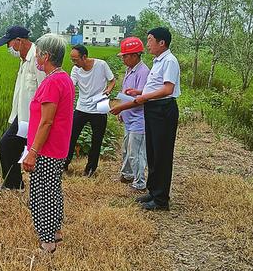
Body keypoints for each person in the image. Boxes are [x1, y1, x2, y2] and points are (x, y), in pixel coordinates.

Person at [111, 27, 180, 211]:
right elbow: (155, 87)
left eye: (150, 40)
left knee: (162, 155)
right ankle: (153, 190)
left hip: (163, 110)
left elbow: (167, 90)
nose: (147, 44)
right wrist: (140, 92)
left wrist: (143, 98)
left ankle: (161, 200)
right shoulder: (158, 61)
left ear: (161, 42)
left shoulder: (169, 62)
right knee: (152, 153)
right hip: (153, 108)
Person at [21, 33, 75, 253]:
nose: (35, 59)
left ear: (46, 56)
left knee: (41, 194)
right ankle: (55, 232)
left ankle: (47, 242)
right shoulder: (63, 78)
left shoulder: (52, 82)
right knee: (52, 190)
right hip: (57, 147)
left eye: (38, 55)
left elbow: (46, 122)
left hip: (47, 149)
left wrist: (33, 151)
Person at [0, 25, 46, 190]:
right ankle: (14, 184)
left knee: (10, 145)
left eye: (9, 44)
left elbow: (45, 89)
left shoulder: (38, 59)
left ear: (19, 41)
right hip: (22, 116)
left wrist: (43, 119)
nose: (8, 48)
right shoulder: (23, 60)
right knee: (9, 146)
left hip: (35, 119)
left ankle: (19, 185)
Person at [65, 44, 115, 176]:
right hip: (81, 107)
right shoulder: (76, 70)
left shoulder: (101, 65)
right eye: (72, 60)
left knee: (97, 140)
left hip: (99, 108)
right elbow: (71, 85)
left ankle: (90, 169)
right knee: (71, 136)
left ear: (84, 57)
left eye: (75, 59)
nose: (73, 63)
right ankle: (64, 164)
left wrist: (108, 90)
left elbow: (112, 81)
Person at [114, 37, 150, 191]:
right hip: (129, 117)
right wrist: (122, 110)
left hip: (139, 120)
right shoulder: (129, 70)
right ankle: (127, 174)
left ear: (135, 55)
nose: (123, 59)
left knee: (136, 153)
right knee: (126, 149)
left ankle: (140, 182)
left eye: (125, 56)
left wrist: (121, 108)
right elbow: (126, 93)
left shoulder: (143, 72)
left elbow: (141, 99)